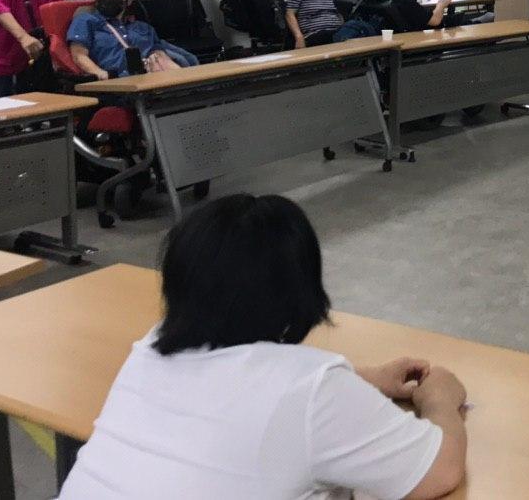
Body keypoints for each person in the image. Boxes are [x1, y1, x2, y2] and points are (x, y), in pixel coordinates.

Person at [59, 193, 468, 499]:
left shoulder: (151, 347)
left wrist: (367, 379)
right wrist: (440, 401)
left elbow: (244, 386)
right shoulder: (313, 390)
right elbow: (440, 471)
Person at [66, 0, 198, 78]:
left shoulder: (142, 27)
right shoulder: (86, 21)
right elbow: (79, 55)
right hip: (117, 81)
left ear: (128, 0)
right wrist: (101, 74)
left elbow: (158, 52)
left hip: (152, 77)